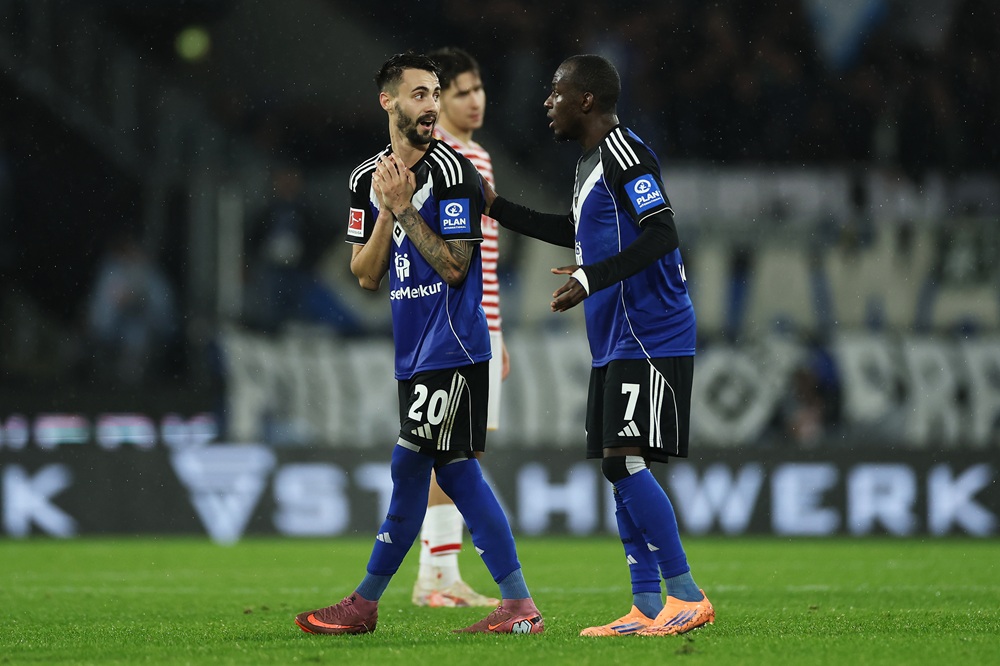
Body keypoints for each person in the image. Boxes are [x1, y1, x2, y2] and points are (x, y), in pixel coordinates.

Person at [294, 52, 543, 636]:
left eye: (436, 94)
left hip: (453, 346)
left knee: (411, 467)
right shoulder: (366, 180)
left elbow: (457, 267)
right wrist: (387, 211)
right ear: (389, 102)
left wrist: (406, 208)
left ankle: (364, 604)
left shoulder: (456, 175)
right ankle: (517, 605)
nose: (432, 106)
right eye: (420, 95)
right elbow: (364, 273)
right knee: (454, 473)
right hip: (413, 350)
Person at [482, 54, 715, 637]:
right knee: (617, 466)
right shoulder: (590, 162)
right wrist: (496, 207)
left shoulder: (627, 154)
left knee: (624, 461)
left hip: (651, 332)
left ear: (586, 100)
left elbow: (663, 232)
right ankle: (645, 605)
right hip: (615, 337)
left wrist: (591, 278)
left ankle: (685, 594)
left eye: (556, 93)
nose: (547, 103)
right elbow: (575, 230)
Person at [408, 46, 506, 610]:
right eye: (461, 92)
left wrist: (499, 331)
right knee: (450, 449)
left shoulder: (480, 157)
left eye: (478, 88)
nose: (475, 101)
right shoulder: (435, 161)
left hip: (481, 322)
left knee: (466, 449)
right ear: (437, 99)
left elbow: (485, 258)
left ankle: (442, 572)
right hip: (449, 323)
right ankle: (435, 574)